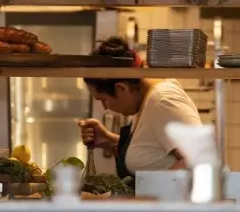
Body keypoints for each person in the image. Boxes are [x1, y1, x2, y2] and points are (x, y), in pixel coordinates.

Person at [79, 36, 202, 178]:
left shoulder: (164, 101)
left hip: (167, 200)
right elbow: (152, 151)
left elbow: (196, 159)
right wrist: (108, 139)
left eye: (103, 100)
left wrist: (151, 195)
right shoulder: (145, 100)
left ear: (121, 88)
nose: (105, 107)